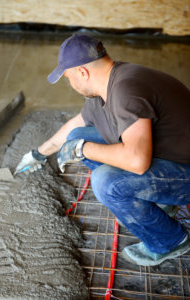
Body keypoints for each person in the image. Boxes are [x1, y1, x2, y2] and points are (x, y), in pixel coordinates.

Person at [15, 34, 190, 266]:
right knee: (76, 136)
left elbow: (137, 161)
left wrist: (83, 150)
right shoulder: (111, 81)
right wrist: (38, 153)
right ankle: (157, 203)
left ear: (82, 73)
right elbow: (76, 127)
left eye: (68, 78)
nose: (71, 85)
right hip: (171, 154)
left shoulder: (127, 91)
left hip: (184, 173)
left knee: (106, 182)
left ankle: (170, 241)